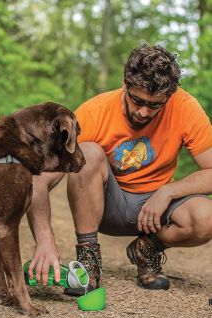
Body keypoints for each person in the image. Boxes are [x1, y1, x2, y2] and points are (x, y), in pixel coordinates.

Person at [27, 44, 212, 295]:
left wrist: (168, 191)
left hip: (156, 209)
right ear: (125, 83)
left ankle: (147, 249)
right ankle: (89, 260)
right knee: (88, 152)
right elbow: (39, 179)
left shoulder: (185, 107)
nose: (144, 112)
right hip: (108, 206)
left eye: (155, 105)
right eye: (137, 101)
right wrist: (45, 239)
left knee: (207, 217)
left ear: (169, 96)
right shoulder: (93, 112)